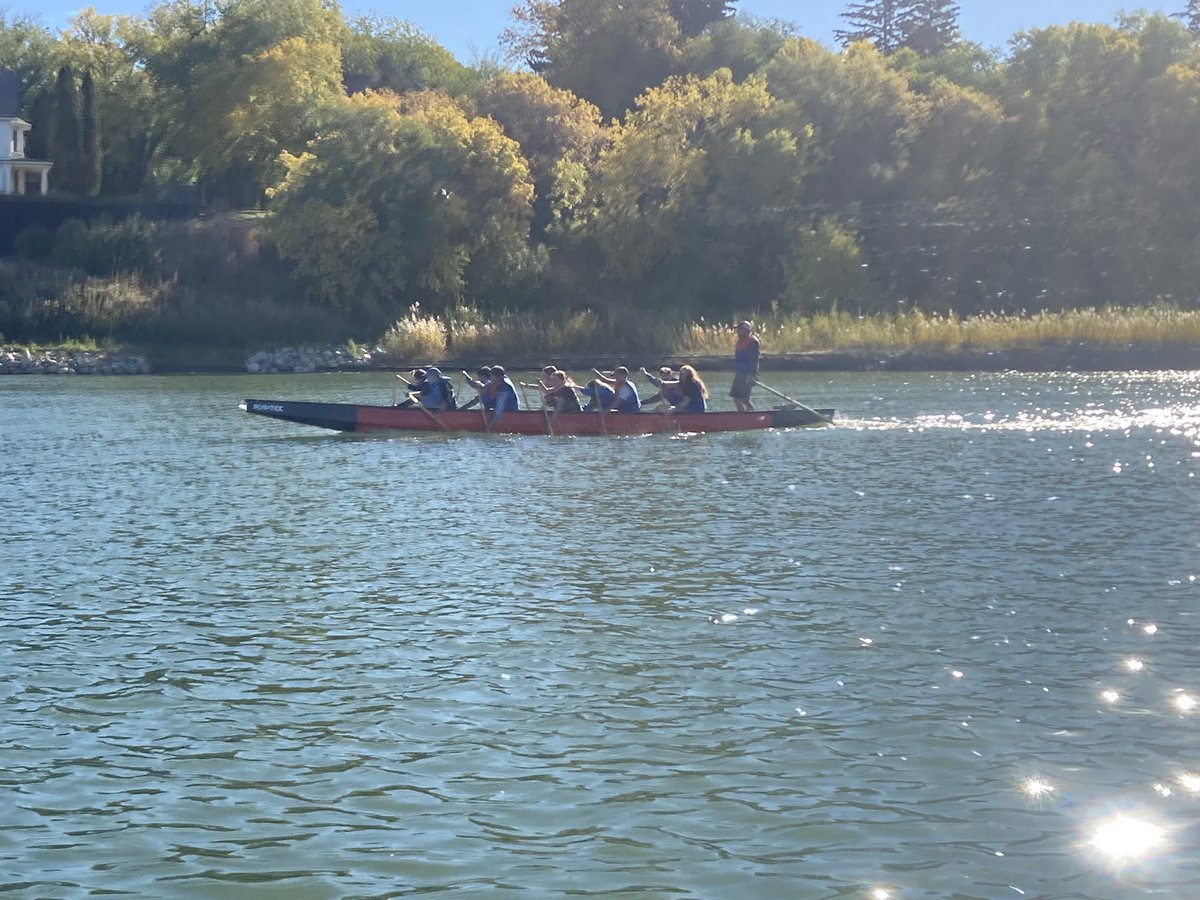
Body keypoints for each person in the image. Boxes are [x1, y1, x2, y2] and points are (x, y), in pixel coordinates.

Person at [731, 320, 760, 412]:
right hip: (739, 373)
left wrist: (752, 375)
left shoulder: (752, 342)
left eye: (739, 330)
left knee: (744, 397)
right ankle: (741, 414)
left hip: (747, 374)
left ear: (746, 331)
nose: (737, 332)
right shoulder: (740, 342)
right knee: (735, 396)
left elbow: (753, 360)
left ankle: (750, 411)